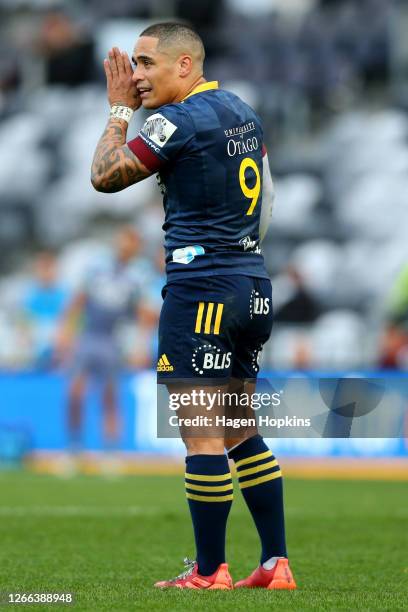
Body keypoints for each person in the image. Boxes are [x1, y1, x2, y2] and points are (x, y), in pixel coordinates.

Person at [91, 22, 296, 590]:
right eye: (132, 65)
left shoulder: (176, 119)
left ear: (184, 66)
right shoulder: (242, 111)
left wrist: (115, 112)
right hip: (251, 283)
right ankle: (275, 564)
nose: (135, 77)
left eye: (146, 63)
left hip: (201, 286)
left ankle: (209, 572)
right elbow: (270, 199)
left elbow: (104, 177)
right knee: (239, 429)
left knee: (201, 435)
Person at [57, 226, 148, 463]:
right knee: (74, 392)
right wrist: (65, 332)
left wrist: (140, 344)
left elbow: (142, 314)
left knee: (110, 396)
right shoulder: (98, 268)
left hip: (112, 340)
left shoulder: (137, 276)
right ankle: (73, 447)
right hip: (89, 335)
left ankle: (111, 450)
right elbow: (77, 301)